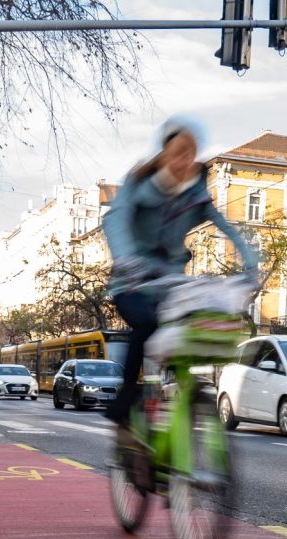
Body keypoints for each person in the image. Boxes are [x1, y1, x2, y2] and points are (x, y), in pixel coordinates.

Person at [102, 114, 259, 444]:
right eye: (176, 153)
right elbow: (116, 219)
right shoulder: (140, 183)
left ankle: (177, 403)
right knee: (145, 324)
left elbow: (226, 225)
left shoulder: (196, 193)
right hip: (131, 282)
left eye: (190, 154)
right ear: (164, 154)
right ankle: (126, 402)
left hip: (171, 281)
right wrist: (126, 259)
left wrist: (251, 264)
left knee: (190, 329)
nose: (182, 161)